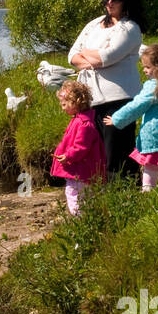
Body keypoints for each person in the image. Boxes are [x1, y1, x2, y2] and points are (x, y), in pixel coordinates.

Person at [68, 0, 144, 179]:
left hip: (118, 100)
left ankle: (125, 198)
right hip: (91, 100)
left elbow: (106, 57)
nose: (109, 2)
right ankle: (101, 200)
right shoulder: (93, 25)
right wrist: (91, 57)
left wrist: (89, 56)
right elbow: (71, 56)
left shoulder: (130, 28)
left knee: (116, 157)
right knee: (95, 154)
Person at [105, 43, 158, 191]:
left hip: (154, 136)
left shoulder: (153, 86)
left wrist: (117, 119)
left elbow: (137, 105)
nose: (144, 70)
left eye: (147, 67)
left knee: (150, 167)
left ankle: (148, 191)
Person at [50, 80, 107, 214]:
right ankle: (88, 216)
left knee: (73, 193)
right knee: (86, 195)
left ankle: (79, 218)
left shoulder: (84, 124)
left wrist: (68, 156)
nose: (62, 107)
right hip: (83, 169)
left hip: (80, 170)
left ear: (75, 103)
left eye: (64, 104)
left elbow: (81, 147)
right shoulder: (80, 120)